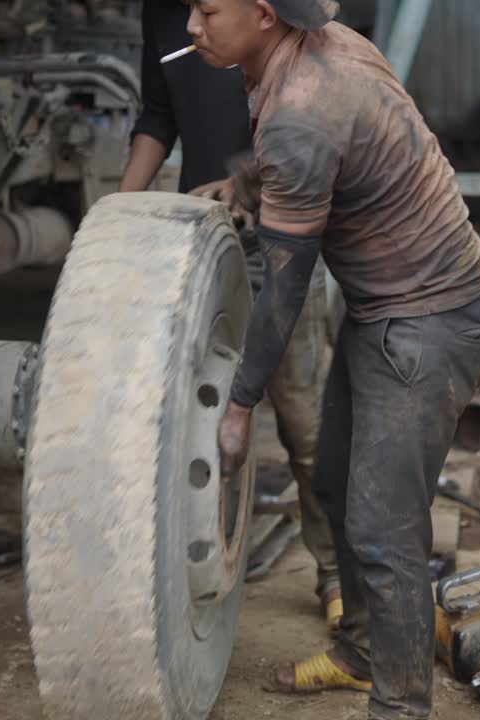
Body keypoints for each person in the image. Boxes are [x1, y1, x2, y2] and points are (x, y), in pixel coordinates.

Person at [192, 1, 480, 719]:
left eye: (207, 10)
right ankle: (363, 653)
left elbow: (284, 290)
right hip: (389, 311)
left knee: (384, 531)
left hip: (428, 324)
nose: (192, 27)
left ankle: (401, 706)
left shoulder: (301, 110)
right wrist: (246, 187)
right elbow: (332, 157)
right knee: (334, 483)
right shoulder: (322, 45)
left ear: (262, 15)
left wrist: (239, 405)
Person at [118, 0, 345, 633]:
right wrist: (118, 210)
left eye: (208, 11)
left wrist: (254, 190)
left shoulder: (272, 10)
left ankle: (336, 571)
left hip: (283, 234)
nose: (196, 23)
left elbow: (315, 116)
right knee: (189, 414)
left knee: (304, 415)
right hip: (198, 236)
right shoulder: (165, 13)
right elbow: (158, 114)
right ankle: (187, 568)